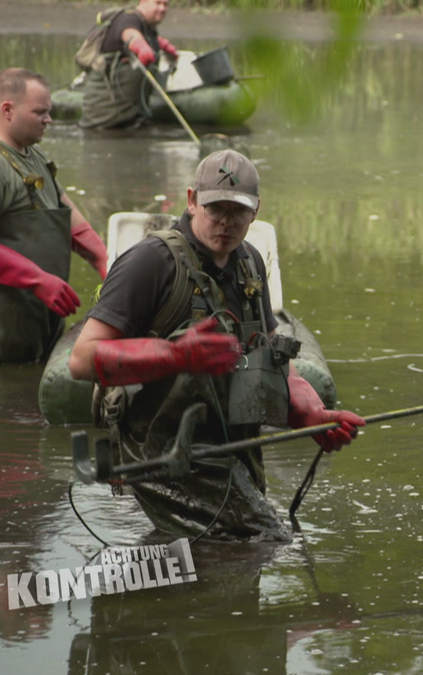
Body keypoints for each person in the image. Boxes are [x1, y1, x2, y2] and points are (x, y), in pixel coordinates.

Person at [68, 149, 365, 542]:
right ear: (192, 201)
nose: (226, 222)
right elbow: (82, 360)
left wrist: (310, 413)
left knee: (245, 551)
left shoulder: (251, 265)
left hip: (229, 445)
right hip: (160, 452)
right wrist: (176, 356)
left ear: (255, 210)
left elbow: (272, 355)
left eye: (237, 211)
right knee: (261, 542)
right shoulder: (150, 262)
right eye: (215, 208)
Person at [0, 68, 108, 364]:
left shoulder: (30, 153)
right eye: (40, 112)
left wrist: (103, 259)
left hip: (38, 320)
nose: (49, 119)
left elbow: (64, 207)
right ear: (7, 110)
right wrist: (39, 281)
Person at [79, 0, 179, 130]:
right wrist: (140, 47)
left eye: (166, 4)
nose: (162, 8)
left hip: (129, 119)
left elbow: (141, 36)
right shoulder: (128, 19)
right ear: (143, 2)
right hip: (103, 123)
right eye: (158, 3)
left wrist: (161, 44)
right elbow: (130, 34)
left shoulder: (147, 26)